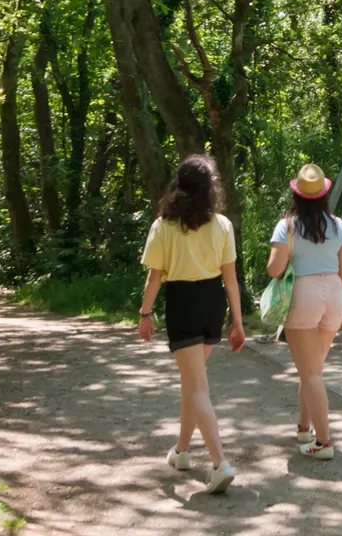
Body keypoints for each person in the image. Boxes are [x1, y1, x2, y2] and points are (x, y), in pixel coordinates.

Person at [137, 153, 246, 493]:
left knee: (197, 386)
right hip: (213, 303)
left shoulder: (164, 225)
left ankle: (219, 463)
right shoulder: (223, 225)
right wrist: (238, 323)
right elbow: (231, 280)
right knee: (193, 381)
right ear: (211, 188)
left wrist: (145, 313)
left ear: (179, 184)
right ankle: (182, 451)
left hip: (183, 302)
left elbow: (155, 277)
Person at [266, 163, 342, 460]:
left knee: (310, 373)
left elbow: (275, 269)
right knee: (313, 370)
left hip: (303, 294)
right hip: (334, 295)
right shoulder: (338, 225)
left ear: (297, 195)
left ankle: (324, 442)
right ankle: (304, 428)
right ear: (323, 194)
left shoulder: (288, 226)